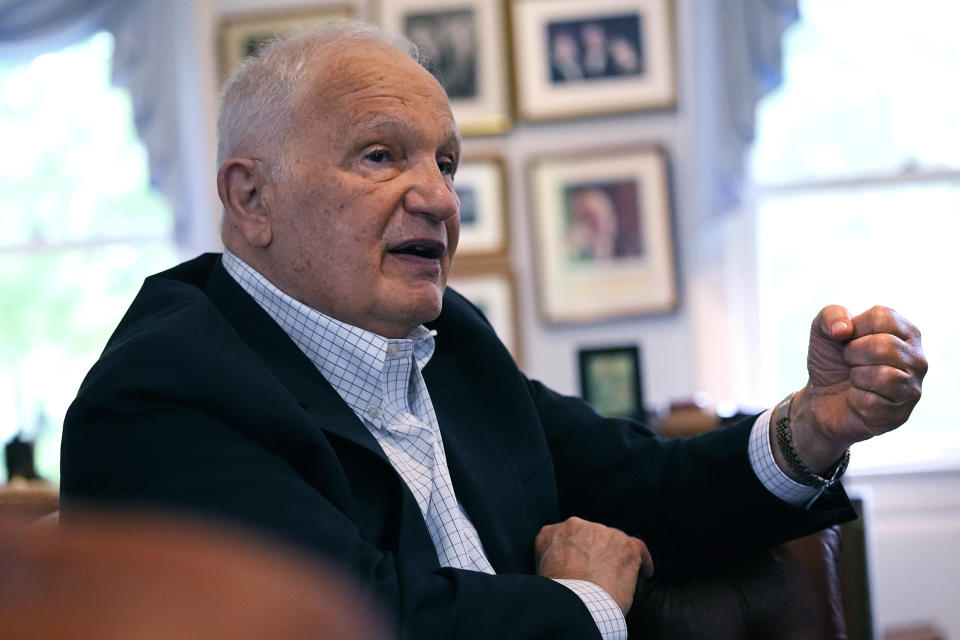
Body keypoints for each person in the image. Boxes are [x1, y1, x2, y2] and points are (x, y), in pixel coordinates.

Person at [60, 21, 927, 639]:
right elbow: (348, 619)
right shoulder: (159, 397)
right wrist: (583, 608)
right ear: (251, 199)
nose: (439, 197)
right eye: (380, 155)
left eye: (445, 162)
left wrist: (809, 430)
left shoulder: (454, 345)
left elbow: (642, 483)